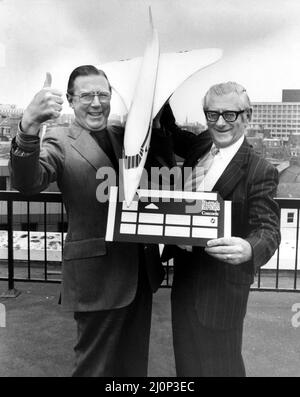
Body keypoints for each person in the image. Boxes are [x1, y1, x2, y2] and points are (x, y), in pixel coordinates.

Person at [9, 65, 174, 377]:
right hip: (97, 278)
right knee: (94, 369)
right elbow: (28, 182)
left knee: (133, 368)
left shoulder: (123, 135)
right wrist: (28, 128)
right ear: (71, 100)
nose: (96, 102)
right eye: (86, 96)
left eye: (103, 94)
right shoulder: (59, 141)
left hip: (140, 275)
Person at [161, 82, 281, 377]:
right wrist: (158, 92)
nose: (220, 122)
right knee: (187, 366)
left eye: (230, 114)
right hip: (186, 280)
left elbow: (267, 227)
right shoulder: (202, 144)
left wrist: (251, 247)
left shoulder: (258, 169)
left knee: (221, 368)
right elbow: (173, 132)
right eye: (212, 114)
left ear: (246, 116)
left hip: (221, 291)